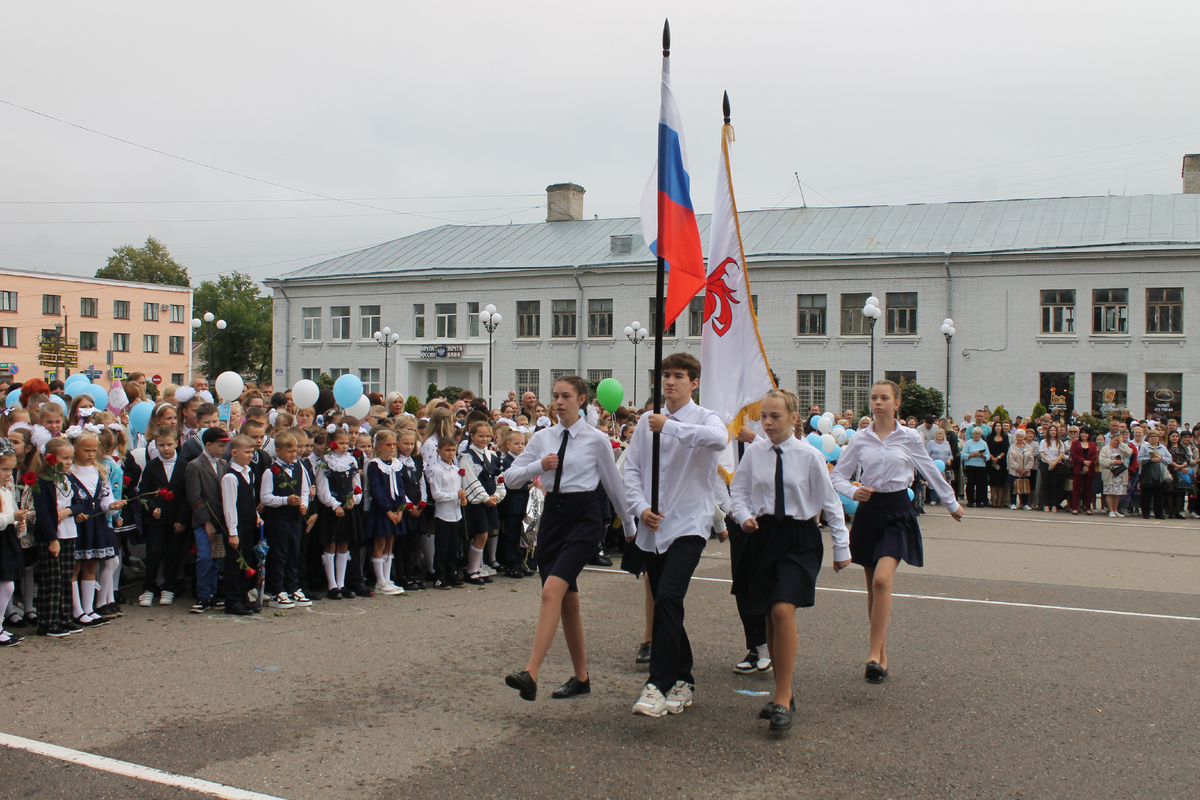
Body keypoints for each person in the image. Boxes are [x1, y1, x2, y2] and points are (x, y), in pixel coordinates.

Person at [503, 376, 634, 702]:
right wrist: (538, 465)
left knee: (552, 591)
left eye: (566, 396)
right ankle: (581, 677)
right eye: (555, 396)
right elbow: (510, 478)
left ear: (583, 400)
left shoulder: (596, 439)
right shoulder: (542, 437)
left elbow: (614, 485)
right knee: (568, 602)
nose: (559, 402)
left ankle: (530, 673)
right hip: (553, 518)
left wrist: (630, 528)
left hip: (585, 518)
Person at [729, 389, 850, 733]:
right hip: (763, 537)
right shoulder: (755, 452)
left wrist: (842, 548)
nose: (767, 423)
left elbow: (830, 502)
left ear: (794, 418)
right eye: (763, 416)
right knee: (768, 612)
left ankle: (783, 695)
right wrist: (743, 515)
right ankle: (781, 691)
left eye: (775, 416)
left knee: (783, 609)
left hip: (799, 539)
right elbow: (738, 492)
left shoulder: (809, 456)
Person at [831, 380, 963, 684]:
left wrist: (950, 502)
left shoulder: (910, 437)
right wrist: (853, 490)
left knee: (882, 580)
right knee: (872, 588)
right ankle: (882, 656)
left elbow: (930, 469)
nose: (878, 402)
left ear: (896, 403)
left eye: (884, 398)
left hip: (897, 511)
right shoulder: (860, 439)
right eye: (874, 397)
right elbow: (837, 475)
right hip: (869, 511)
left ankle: (872, 654)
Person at [623, 353, 728, 718]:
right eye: (666, 375)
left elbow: (717, 440)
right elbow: (632, 470)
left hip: (689, 524)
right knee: (667, 603)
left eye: (679, 376)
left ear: (694, 383)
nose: (670, 382)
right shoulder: (644, 424)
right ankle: (684, 679)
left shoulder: (704, 418)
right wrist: (639, 508)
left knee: (668, 596)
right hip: (654, 527)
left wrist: (667, 426)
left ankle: (659, 683)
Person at [137, 426, 187, 607]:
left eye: (169, 444)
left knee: (173, 553)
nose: (166, 449)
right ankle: (149, 588)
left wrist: (181, 519)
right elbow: (143, 492)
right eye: (161, 445)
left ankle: (169, 588)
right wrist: (151, 508)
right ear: (155, 446)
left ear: (176, 443)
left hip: (175, 520)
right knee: (154, 552)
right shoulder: (151, 466)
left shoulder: (184, 465)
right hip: (156, 519)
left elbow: (186, 496)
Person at [186, 428, 231, 613]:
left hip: (220, 521)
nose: (224, 449)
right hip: (204, 522)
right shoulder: (195, 465)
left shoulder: (223, 464)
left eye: (225, 445)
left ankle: (212, 592)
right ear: (208, 445)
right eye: (220, 445)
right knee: (204, 557)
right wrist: (207, 523)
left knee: (216, 558)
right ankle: (202, 595)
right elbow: (194, 498)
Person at [316, 428, 363, 599]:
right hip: (332, 510)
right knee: (331, 544)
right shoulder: (325, 463)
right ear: (332, 443)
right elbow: (322, 489)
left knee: (344, 544)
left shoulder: (352, 461)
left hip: (348, 508)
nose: (345, 446)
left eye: (347, 443)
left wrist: (354, 499)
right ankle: (332, 585)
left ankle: (342, 583)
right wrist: (334, 504)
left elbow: (357, 486)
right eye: (341, 443)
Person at [219, 435, 262, 615]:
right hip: (236, 526)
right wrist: (232, 532)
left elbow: (250, 499)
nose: (250, 455)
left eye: (252, 452)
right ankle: (233, 600)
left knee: (247, 561)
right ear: (234, 452)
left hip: (249, 523)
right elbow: (229, 506)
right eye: (246, 452)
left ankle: (244, 596)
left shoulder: (248, 472)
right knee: (235, 563)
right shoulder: (230, 477)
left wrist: (256, 515)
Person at [461, 421, 505, 585]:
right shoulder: (467, 457)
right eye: (480, 436)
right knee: (481, 534)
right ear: (471, 436)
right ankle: (471, 570)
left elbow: (499, 478)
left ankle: (479, 567)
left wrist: (497, 495)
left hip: (490, 500)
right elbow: (469, 479)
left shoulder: (492, 455)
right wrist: (485, 498)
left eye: (487, 436)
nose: (484, 439)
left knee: (486, 534)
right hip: (477, 502)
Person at [364, 430, 405, 595]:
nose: (392, 448)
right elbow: (376, 489)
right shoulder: (374, 465)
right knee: (380, 543)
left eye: (394, 444)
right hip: (382, 510)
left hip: (395, 509)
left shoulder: (396, 464)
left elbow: (400, 487)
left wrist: (400, 509)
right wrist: (388, 510)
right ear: (379, 446)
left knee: (390, 543)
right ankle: (380, 581)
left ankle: (387, 579)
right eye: (388, 444)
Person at [427, 437, 466, 589]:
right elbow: (436, 494)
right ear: (439, 451)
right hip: (443, 515)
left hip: (456, 514)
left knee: (453, 547)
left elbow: (459, 489)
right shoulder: (437, 471)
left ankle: (452, 573)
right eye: (447, 450)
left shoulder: (456, 470)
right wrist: (455, 496)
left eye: (452, 450)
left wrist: (462, 500)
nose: (450, 454)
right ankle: (440, 576)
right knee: (442, 547)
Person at [0, 447, 27, 646]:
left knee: (8, 584)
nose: (8, 474)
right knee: (6, 584)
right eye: (3, 470)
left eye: (10, 470)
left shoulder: (6, 491)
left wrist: (20, 524)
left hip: (6, 538)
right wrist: (11, 518)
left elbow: (14, 514)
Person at [1137, 429, 1170, 520]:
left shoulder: (1163, 448)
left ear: (1158, 438)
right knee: (1146, 495)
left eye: (1155, 436)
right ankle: (1146, 513)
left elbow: (1169, 459)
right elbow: (1139, 459)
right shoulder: (1144, 447)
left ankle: (1158, 513)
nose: (1153, 438)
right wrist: (1150, 459)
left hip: (1159, 475)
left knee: (1158, 496)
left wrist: (1161, 458)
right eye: (1151, 437)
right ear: (1148, 438)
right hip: (1147, 474)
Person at [1099, 432, 1132, 518]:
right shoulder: (1105, 449)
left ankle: (1115, 510)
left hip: (1120, 474)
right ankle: (1111, 510)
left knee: (1117, 493)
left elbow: (1129, 452)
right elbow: (1101, 461)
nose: (1116, 442)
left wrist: (1122, 443)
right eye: (1115, 440)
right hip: (1110, 473)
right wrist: (1113, 462)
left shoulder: (1121, 449)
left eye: (1118, 440)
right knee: (1110, 492)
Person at [1038, 425, 1068, 513]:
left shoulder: (1060, 442)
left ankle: (1054, 504)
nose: (1053, 432)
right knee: (1046, 484)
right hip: (1045, 464)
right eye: (1051, 430)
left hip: (1057, 465)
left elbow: (1062, 454)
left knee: (1055, 485)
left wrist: (1054, 463)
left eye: (1055, 430)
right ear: (1048, 431)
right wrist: (1049, 462)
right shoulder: (1043, 442)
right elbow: (1042, 453)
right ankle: (1046, 504)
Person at [1070, 429, 1098, 515]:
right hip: (1078, 467)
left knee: (1088, 489)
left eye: (1086, 433)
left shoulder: (1093, 444)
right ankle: (1075, 507)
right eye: (1082, 432)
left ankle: (1088, 507)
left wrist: (1088, 463)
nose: (1084, 434)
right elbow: (1073, 455)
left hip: (1089, 468)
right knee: (1076, 489)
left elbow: (1094, 455)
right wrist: (1083, 461)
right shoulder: (1075, 443)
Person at [961, 426, 989, 508]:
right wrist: (973, 455)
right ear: (973, 434)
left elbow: (988, 456)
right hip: (970, 465)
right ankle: (970, 501)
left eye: (979, 434)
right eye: (976, 434)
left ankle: (979, 501)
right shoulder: (969, 443)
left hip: (981, 465)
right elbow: (963, 455)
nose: (977, 435)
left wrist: (982, 455)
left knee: (980, 484)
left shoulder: (984, 443)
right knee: (970, 483)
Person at [1007, 428, 1035, 510]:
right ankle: (1013, 503)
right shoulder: (1012, 447)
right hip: (1014, 471)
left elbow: (1031, 459)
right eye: (1018, 437)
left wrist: (1026, 469)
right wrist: (1018, 468)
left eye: (1021, 437)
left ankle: (1025, 504)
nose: (1020, 438)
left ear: (1024, 437)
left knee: (1025, 487)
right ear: (1016, 437)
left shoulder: (1029, 447)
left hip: (1025, 472)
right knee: (1013, 487)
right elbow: (1010, 459)